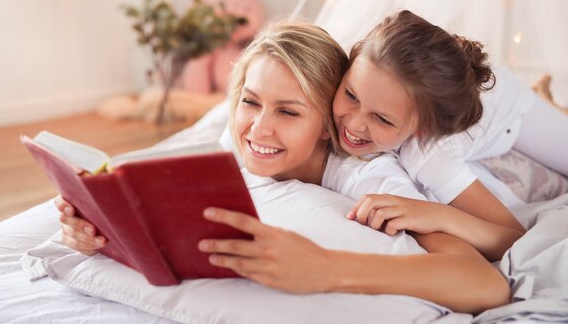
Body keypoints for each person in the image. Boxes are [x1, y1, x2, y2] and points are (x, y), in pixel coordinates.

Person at [55, 21, 510, 314]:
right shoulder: (236, 136)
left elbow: (484, 283)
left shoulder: (368, 176)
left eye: (289, 113)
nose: (259, 129)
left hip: (498, 132)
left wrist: (327, 268)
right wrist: (100, 230)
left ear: (325, 127)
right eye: (250, 102)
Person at [335, 10, 568, 261]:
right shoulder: (362, 66)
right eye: (351, 95)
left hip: (506, 107)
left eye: (382, 118)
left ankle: (545, 99)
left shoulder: (430, 156)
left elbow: (517, 240)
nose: (354, 124)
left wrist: (438, 215)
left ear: (422, 129)